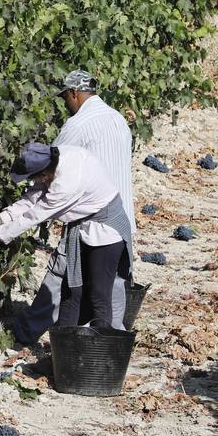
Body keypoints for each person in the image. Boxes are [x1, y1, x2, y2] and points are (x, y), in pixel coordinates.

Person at [9, 70, 136, 345]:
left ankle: (27, 332)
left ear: (74, 94)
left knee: (62, 278)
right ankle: (112, 345)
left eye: (66, 97)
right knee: (109, 286)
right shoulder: (118, 119)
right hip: (121, 216)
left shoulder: (77, 125)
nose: (66, 103)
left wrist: (21, 211)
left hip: (89, 218)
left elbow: (50, 170)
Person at [0, 142, 133, 333]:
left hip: (106, 232)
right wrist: (0, 218)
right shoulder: (53, 159)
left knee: (99, 295)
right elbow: (32, 199)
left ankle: (97, 353)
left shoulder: (67, 182)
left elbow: (36, 214)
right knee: (71, 290)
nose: (38, 182)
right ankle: (63, 354)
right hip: (82, 228)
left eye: (37, 179)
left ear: (45, 175)